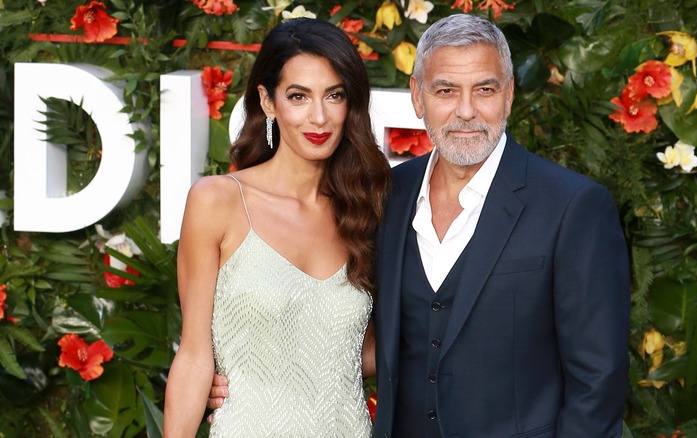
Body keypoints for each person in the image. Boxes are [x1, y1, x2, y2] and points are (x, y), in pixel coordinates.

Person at [210, 13, 630, 437]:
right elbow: (346, 332)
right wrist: (250, 378)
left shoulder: (573, 206)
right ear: (417, 96)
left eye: (485, 89)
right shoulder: (384, 196)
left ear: (508, 95)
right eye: (445, 90)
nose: (466, 111)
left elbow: (598, 382)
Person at [164, 17, 391, 437]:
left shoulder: (367, 209)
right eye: (299, 96)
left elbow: (363, 350)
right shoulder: (218, 201)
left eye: (334, 95)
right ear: (268, 102)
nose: (319, 117)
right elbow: (195, 356)